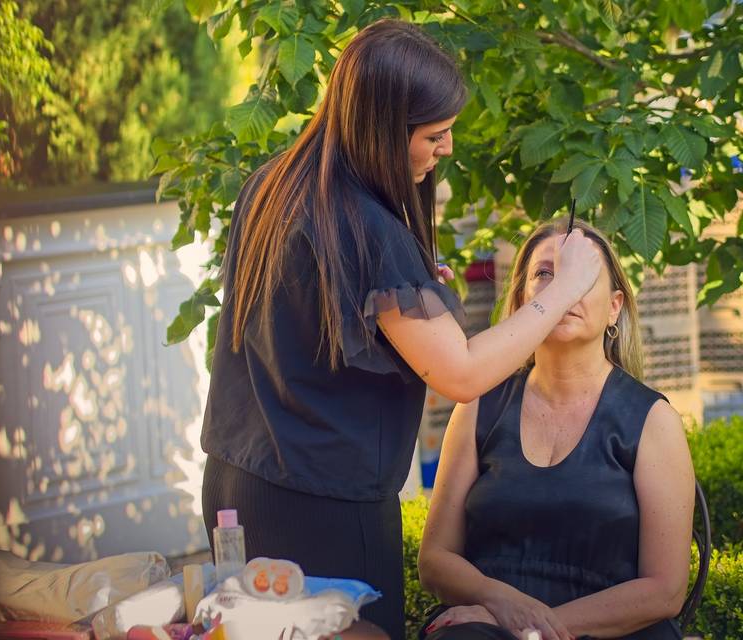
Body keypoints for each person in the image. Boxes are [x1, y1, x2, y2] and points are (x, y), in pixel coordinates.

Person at [199, 18, 603, 639]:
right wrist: (570, 284)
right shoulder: (368, 230)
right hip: (322, 508)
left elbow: (312, 316)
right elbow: (462, 374)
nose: (446, 150)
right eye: (434, 135)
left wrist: (414, 283)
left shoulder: (274, 184)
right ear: (383, 129)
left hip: (238, 481)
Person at [416, 220, 695, 640]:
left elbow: (665, 590)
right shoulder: (478, 405)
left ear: (615, 306)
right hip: (487, 625)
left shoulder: (653, 420)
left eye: (581, 275)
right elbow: (435, 559)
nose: (563, 287)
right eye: (545, 274)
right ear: (523, 299)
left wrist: (533, 626)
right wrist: (500, 605)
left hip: (608, 631)